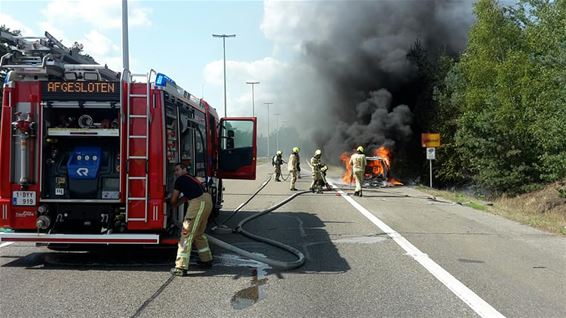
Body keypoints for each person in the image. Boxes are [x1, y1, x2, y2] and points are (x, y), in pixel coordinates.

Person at [169, 163, 214, 277]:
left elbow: (174, 199)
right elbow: (185, 197)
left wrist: (170, 203)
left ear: (184, 169)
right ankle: (206, 260)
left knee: (186, 233)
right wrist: (177, 204)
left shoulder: (180, 180)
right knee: (198, 233)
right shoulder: (191, 178)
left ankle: (180, 267)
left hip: (198, 203)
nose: (176, 172)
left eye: (177, 169)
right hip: (207, 201)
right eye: (174, 171)